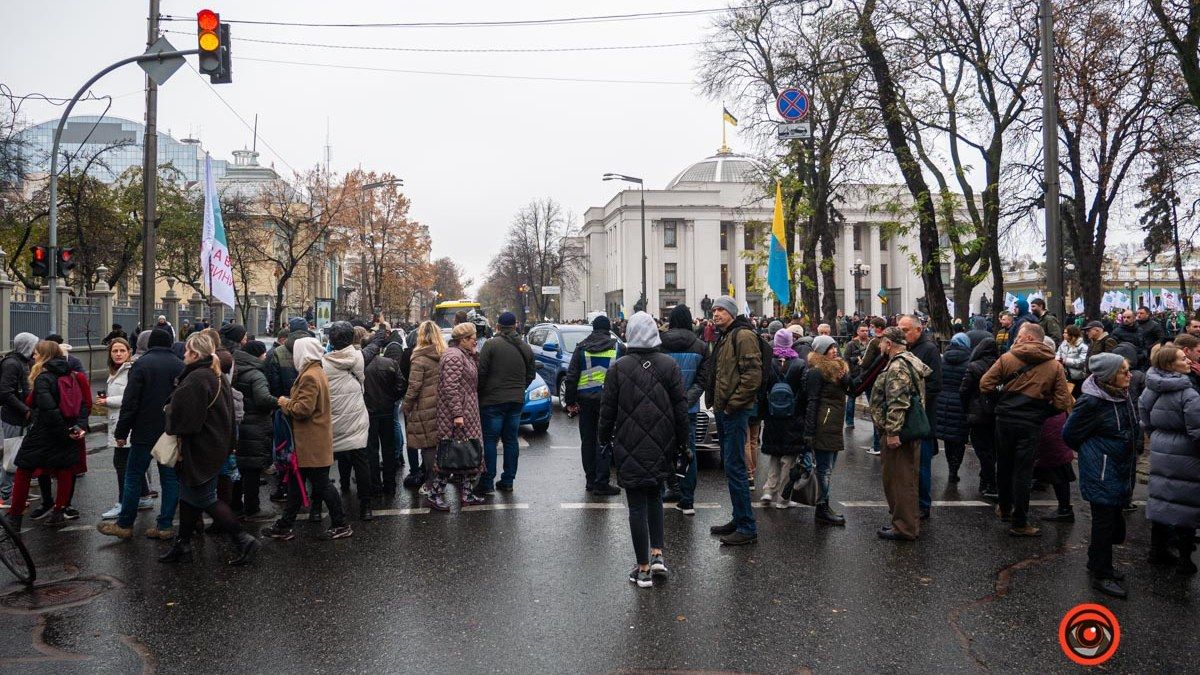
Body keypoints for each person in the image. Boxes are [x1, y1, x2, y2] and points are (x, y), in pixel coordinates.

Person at [598, 312, 688, 588]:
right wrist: (684, 443)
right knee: (655, 497)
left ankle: (643, 568)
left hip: (629, 441)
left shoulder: (619, 367)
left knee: (636, 504)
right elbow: (680, 408)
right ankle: (658, 554)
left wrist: (603, 438)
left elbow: (608, 409)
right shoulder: (669, 365)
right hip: (662, 442)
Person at [158, 333, 258, 565]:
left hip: (200, 448)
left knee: (205, 498)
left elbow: (185, 422)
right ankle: (182, 544)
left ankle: (243, 538)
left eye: (186, 351)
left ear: (195, 354)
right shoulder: (216, 374)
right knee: (189, 496)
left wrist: (169, 412)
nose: (183, 354)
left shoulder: (197, 378)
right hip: (215, 445)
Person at [980, 322, 1074, 537]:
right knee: (1023, 471)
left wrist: (1001, 402)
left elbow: (985, 384)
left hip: (1005, 420)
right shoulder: (1054, 366)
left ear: (1030, 338)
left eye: (1020, 336)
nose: (1017, 339)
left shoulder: (1007, 359)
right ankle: (1020, 521)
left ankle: (1004, 508)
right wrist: (1041, 412)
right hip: (1031, 423)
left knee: (1003, 464)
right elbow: (1062, 402)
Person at [1063, 353, 1138, 598]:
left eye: (1128, 370)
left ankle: (1097, 562)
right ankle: (1101, 574)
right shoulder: (1092, 401)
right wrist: (1095, 452)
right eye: (1123, 371)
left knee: (1113, 518)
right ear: (1108, 376)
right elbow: (1070, 434)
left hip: (1120, 466)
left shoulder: (1121, 394)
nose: (1129, 375)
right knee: (1104, 522)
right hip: (1102, 468)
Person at [262, 336, 353, 541]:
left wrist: (284, 402)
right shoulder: (315, 371)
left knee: (321, 485)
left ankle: (341, 524)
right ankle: (284, 526)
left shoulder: (310, 375)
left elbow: (303, 409)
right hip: (311, 441)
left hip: (310, 442)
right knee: (297, 485)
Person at [98, 328, 183, 541]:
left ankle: (125, 524)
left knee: (133, 476)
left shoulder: (141, 365)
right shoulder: (180, 366)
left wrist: (121, 432)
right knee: (170, 479)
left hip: (143, 432)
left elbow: (130, 402)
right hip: (170, 432)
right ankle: (164, 525)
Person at [2, 341, 87, 530]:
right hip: (67, 430)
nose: (33, 356)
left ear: (45, 356)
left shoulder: (44, 378)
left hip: (44, 434)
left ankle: (15, 517)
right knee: (64, 470)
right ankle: (58, 512)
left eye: (37, 353)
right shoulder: (72, 375)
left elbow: (47, 408)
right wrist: (76, 428)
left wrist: (62, 432)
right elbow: (81, 404)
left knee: (23, 470)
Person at [704, 295, 761, 546]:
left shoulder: (743, 335)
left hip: (734, 412)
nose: (715, 313)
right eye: (714, 309)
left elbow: (752, 376)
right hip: (724, 409)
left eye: (721, 310)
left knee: (736, 468)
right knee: (731, 467)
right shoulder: (726, 335)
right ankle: (739, 518)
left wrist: (731, 406)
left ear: (731, 312)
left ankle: (747, 526)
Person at [1140, 345, 1200, 575]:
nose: (1187, 361)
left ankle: (1157, 551)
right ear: (1169, 364)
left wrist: (1158, 435)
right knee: (1185, 503)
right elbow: (1197, 430)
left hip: (1161, 447)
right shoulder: (1188, 393)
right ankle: (1186, 559)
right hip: (1186, 451)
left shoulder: (1151, 388)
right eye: (1182, 358)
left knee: (1161, 499)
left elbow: (1144, 416)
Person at [871, 327, 931, 541]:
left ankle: (904, 527)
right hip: (906, 430)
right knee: (904, 479)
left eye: (881, 342)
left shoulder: (897, 366)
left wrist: (893, 432)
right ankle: (905, 523)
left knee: (900, 481)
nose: (879, 346)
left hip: (900, 433)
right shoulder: (908, 360)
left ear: (889, 343)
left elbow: (897, 402)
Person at [475, 311, 535, 494]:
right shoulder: (525, 347)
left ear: (498, 327)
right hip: (516, 401)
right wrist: (519, 388)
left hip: (492, 401)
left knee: (491, 441)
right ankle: (508, 481)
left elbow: (481, 373)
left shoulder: (491, 345)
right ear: (515, 325)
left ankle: (487, 482)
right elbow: (531, 375)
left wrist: (482, 393)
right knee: (511, 440)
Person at [564, 315, 623, 496]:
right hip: (608, 401)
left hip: (585, 400)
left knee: (587, 441)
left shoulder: (582, 347)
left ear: (593, 328)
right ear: (608, 328)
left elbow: (572, 376)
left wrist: (570, 401)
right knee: (604, 439)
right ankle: (602, 482)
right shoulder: (617, 347)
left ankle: (590, 480)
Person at [224, 324, 277, 522]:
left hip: (238, 424)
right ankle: (253, 509)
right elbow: (263, 399)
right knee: (253, 469)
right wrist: (278, 402)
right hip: (255, 425)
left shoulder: (234, 368)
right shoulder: (256, 374)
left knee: (239, 468)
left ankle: (235, 505)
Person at [661, 304, 711, 514]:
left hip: (663, 407)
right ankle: (687, 498)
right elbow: (702, 380)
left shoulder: (660, 343)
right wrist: (685, 400)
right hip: (688, 409)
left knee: (665, 450)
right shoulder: (701, 346)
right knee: (688, 451)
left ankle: (672, 487)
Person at [430, 322, 485, 510]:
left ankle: (467, 494)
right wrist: (457, 414)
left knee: (470, 453)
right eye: (472, 339)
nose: (475, 341)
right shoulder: (454, 356)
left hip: (467, 410)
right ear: (463, 339)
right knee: (451, 455)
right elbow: (450, 388)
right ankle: (434, 493)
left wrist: (474, 353)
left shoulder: (463, 354)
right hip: (457, 414)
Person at [99, 337, 153, 519]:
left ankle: (123, 503)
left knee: (122, 465)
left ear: (129, 352)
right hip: (119, 422)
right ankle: (144, 496)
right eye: (115, 351)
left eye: (122, 350)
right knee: (130, 464)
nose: (118, 354)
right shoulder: (116, 371)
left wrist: (107, 401)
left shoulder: (130, 371)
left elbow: (130, 398)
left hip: (127, 425)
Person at [323, 322, 373, 521]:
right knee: (361, 460)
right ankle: (366, 506)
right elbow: (372, 347)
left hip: (332, 420)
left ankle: (321, 507)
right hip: (356, 418)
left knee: (329, 461)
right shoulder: (357, 358)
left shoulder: (323, 364)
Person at [803, 335, 851, 525]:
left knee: (828, 469)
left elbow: (853, 389)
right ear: (821, 351)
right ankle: (822, 507)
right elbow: (812, 401)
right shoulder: (817, 371)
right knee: (824, 470)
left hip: (834, 424)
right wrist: (809, 431)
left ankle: (824, 505)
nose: (834, 350)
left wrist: (845, 377)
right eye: (830, 348)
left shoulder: (838, 369)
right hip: (824, 424)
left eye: (835, 347)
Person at [898, 315, 941, 519]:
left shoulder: (929, 349)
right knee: (906, 465)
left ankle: (923, 505)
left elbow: (934, 385)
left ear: (918, 329)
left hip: (921, 417)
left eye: (906, 330)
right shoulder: (904, 348)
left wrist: (913, 399)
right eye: (900, 329)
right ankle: (909, 503)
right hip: (905, 416)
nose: (902, 333)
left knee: (922, 464)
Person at [759, 329, 805, 510]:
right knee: (789, 458)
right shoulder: (800, 363)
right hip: (792, 415)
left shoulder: (768, 364)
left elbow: (763, 389)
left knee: (774, 455)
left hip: (772, 415)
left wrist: (766, 411)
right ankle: (783, 498)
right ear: (791, 342)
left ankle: (768, 490)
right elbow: (804, 390)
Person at [403, 322, 444, 504]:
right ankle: (438, 479)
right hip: (441, 405)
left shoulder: (419, 358)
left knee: (427, 446)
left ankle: (431, 482)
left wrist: (406, 406)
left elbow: (414, 386)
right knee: (437, 444)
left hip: (424, 406)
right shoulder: (443, 354)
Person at [0, 332, 38, 506]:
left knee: (19, 455)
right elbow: (6, 392)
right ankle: (4, 495)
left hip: (23, 417)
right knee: (10, 455)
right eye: (33, 345)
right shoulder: (12, 364)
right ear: (26, 345)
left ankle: (18, 490)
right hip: (13, 417)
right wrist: (25, 410)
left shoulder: (24, 362)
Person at [364, 340, 406, 499]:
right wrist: (392, 399)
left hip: (370, 413)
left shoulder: (362, 366)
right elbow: (401, 385)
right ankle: (390, 485)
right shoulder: (390, 363)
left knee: (372, 451)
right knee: (388, 450)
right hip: (387, 411)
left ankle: (375, 486)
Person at [961, 338, 1001, 499]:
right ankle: (987, 480)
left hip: (978, 414)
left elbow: (964, 391)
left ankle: (990, 482)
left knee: (982, 450)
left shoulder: (974, 366)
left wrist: (967, 409)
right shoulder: (1001, 365)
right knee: (993, 449)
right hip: (997, 413)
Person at [935, 333, 972, 484]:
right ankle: (953, 470)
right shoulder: (969, 361)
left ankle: (951, 467)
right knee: (959, 439)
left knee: (949, 439)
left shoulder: (942, 359)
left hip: (942, 401)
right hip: (961, 403)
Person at [1035, 411, 1077, 522]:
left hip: (1048, 422)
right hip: (1054, 421)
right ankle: (1064, 509)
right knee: (1057, 466)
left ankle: (1064, 510)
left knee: (1057, 467)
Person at [265, 317, 314, 397]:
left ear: (290, 330)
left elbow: (274, 383)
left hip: (285, 403)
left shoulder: (278, 352)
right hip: (309, 402)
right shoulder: (315, 350)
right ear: (306, 329)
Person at [843, 324, 871, 428]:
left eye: (867, 330)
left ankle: (876, 423)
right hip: (855, 375)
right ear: (858, 332)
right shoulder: (851, 344)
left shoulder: (871, 343)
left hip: (868, 375)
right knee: (851, 398)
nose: (865, 332)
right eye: (863, 330)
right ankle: (849, 422)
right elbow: (845, 359)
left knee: (871, 399)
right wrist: (849, 374)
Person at [1056, 325, 1089, 396]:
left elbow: (1082, 362)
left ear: (1072, 334)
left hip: (1077, 377)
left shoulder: (1083, 347)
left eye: (1065, 333)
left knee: (1076, 395)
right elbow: (1058, 353)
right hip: (1064, 375)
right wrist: (1058, 359)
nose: (1063, 334)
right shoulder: (1063, 344)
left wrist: (1065, 361)